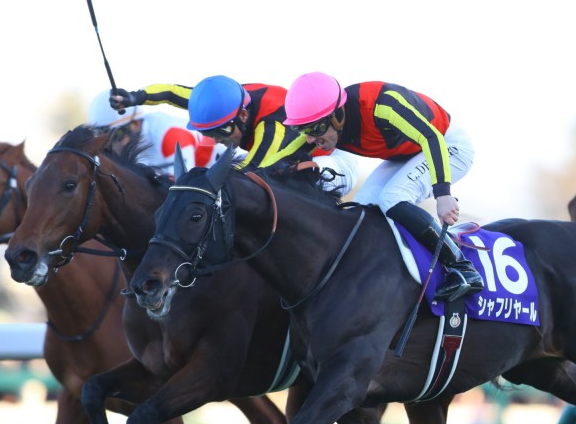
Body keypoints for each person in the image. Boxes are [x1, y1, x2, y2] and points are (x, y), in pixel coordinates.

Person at [282, 72, 483, 302]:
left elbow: (431, 138)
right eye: (303, 130)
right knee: (359, 209)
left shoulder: (382, 105)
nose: (309, 139)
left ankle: (462, 267)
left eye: (315, 129)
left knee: (392, 197)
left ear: (338, 116)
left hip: (447, 144)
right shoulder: (320, 127)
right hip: (407, 154)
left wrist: (442, 193)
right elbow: (280, 162)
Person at [108, 76, 358, 195]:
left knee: (277, 186)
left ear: (244, 117)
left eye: (222, 131)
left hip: (334, 161)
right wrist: (134, 97)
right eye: (209, 133)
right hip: (281, 161)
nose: (217, 139)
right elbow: (173, 93)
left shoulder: (273, 129)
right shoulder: (225, 101)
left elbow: (249, 174)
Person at [86, 89, 220, 176]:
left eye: (117, 136)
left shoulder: (168, 133)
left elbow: (181, 190)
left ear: (136, 123)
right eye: (104, 139)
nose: (113, 146)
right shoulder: (133, 135)